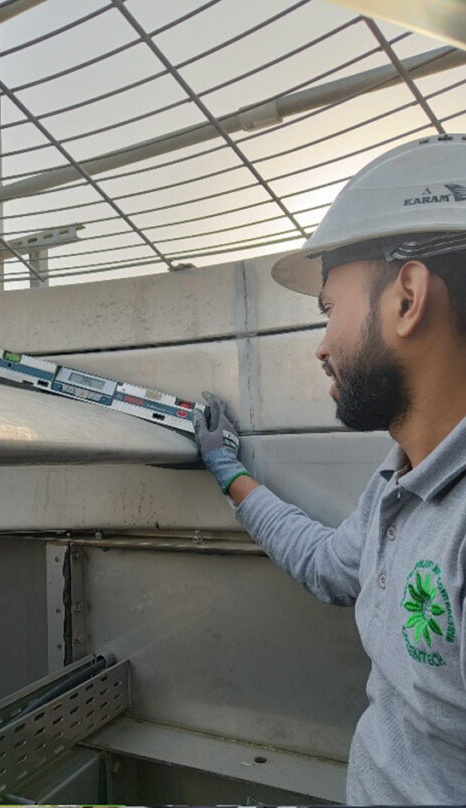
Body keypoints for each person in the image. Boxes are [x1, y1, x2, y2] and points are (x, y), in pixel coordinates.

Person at [195, 134, 466, 804]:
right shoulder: (400, 483)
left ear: (407, 297)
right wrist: (228, 471)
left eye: (329, 309)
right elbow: (326, 564)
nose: (321, 347)